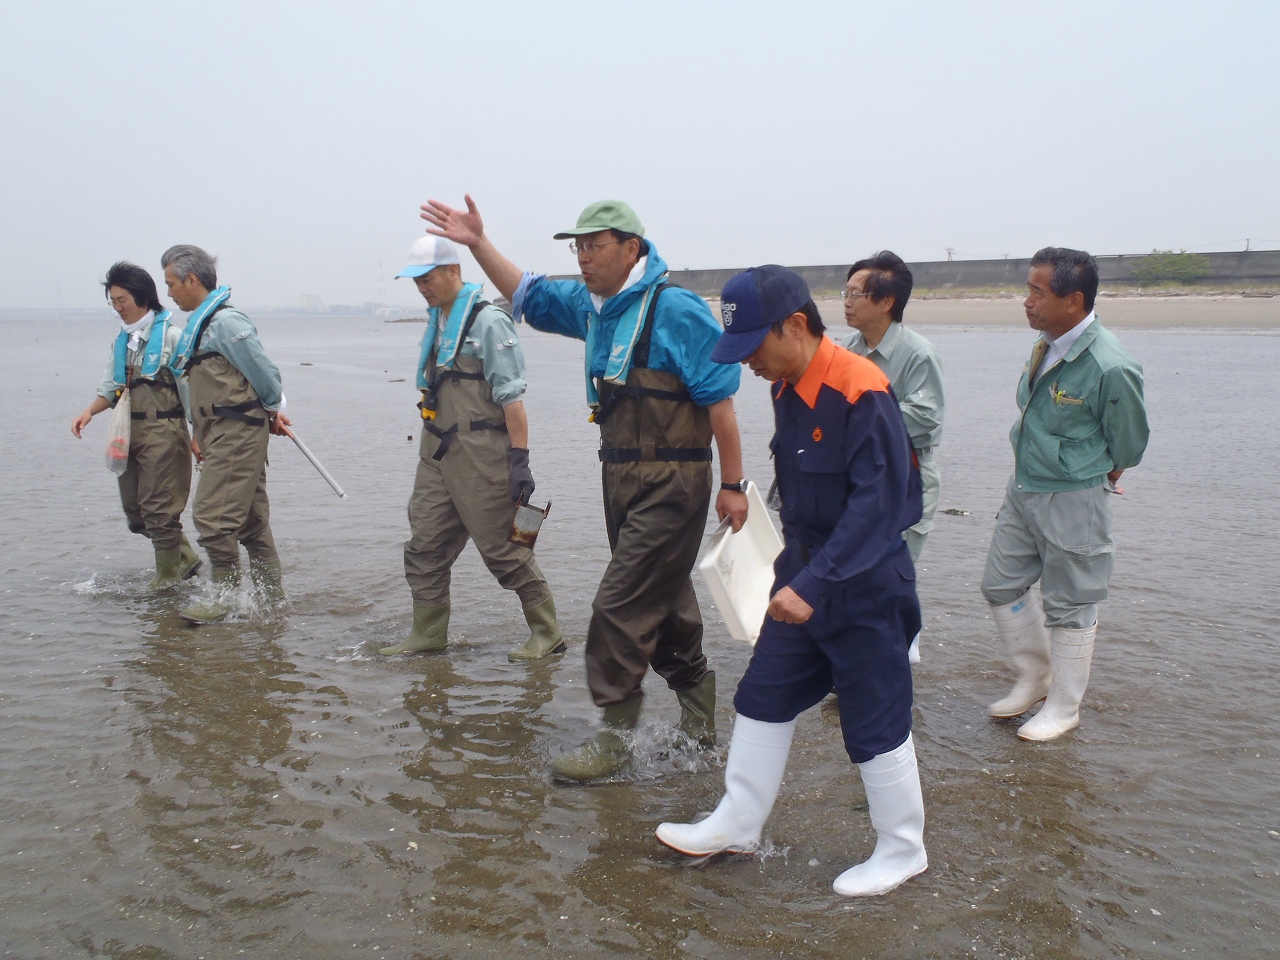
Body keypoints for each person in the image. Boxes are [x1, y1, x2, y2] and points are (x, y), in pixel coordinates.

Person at [420, 196, 748, 782]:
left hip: (675, 478)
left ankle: (615, 737)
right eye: (578, 248)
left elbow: (721, 404)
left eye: (594, 246)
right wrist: (477, 244)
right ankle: (700, 721)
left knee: (617, 604)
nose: (584, 257)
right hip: (618, 475)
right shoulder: (594, 307)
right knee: (665, 601)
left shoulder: (676, 310)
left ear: (632, 248)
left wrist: (733, 485)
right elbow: (528, 293)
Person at [656, 265, 927, 898]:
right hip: (803, 571)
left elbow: (885, 506)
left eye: (754, 345)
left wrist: (816, 584)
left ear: (796, 326)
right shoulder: (785, 385)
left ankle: (902, 848)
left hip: (862, 582)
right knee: (762, 693)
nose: (747, 361)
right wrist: (790, 573)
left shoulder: (863, 389)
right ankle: (738, 823)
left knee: (874, 716)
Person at [981, 247, 1149, 741]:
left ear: (1073, 300)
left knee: (1072, 602)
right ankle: (1035, 676)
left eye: (1037, 291)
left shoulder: (1110, 364)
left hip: (1075, 495)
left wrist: (1101, 476)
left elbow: (1130, 442)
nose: (1026, 301)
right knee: (1000, 583)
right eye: (1028, 289)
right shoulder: (1046, 343)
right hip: (1024, 487)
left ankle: (1064, 705)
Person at [378, 235, 564, 661]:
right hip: (436, 450)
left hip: (483, 453)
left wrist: (520, 462)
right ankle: (427, 633)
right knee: (424, 542)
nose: (422, 287)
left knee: (505, 548)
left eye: (428, 278)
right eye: (416, 281)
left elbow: (512, 398)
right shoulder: (438, 319)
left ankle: (547, 631)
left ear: (454, 272)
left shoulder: (489, 322)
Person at [161, 244, 292, 624]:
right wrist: (198, 433)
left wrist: (273, 409)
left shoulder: (226, 323)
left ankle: (225, 596)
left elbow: (265, 373)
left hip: (238, 431)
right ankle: (272, 600)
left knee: (212, 516)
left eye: (171, 283)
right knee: (251, 521)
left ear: (191, 279)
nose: (168, 292)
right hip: (220, 431)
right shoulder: (200, 325)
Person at [842, 251, 944, 663]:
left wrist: (861, 415)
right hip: (858, 480)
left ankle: (896, 657)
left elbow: (925, 419)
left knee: (890, 572)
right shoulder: (846, 350)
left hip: (907, 480)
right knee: (855, 572)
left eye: (856, 294)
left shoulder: (918, 354)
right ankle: (870, 659)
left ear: (886, 302)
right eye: (845, 292)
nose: (846, 302)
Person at [71, 262, 200, 589]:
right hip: (129, 433)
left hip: (164, 431)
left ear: (142, 297)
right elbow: (111, 388)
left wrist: (198, 434)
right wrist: (89, 411)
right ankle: (185, 558)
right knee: (135, 512)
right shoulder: (122, 342)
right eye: (113, 301)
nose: (118, 308)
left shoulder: (171, 338)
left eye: (122, 300)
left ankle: (167, 577)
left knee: (159, 509)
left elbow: (191, 390)